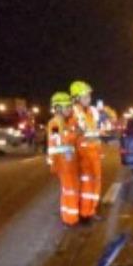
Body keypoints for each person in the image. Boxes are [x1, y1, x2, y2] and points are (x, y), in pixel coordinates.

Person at [69, 80, 103, 222]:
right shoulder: (73, 114)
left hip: (94, 153)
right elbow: (70, 136)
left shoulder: (90, 112)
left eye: (89, 96)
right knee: (86, 186)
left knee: (95, 184)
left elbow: (93, 132)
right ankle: (84, 213)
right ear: (76, 98)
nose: (88, 99)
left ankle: (91, 210)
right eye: (85, 96)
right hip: (83, 156)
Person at [45, 92, 80, 226]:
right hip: (63, 163)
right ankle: (70, 219)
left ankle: (71, 217)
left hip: (68, 162)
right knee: (69, 190)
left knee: (71, 190)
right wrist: (73, 136)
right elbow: (56, 143)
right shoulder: (54, 123)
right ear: (58, 108)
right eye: (67, 107)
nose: (70, 109)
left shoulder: (63, 123)